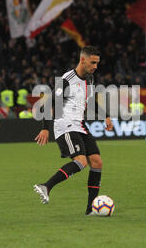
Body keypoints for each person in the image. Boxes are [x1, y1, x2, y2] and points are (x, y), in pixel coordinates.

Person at [33, 46, 113, 215]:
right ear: (82, 60)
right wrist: (45, 129)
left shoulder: (90, 79)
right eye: (93, 62)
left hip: (79, 124)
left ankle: (91, 209)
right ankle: (46, 186)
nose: (95, 66)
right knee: (82, 161)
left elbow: (90, 103)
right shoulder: (66, 80)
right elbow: (50, 104)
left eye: (97, 63)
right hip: (64, 124)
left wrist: (105, 116)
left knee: (97, 162)